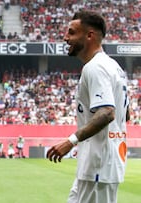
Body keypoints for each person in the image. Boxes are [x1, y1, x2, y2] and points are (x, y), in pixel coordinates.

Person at [46, 11, 129, 203]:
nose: (66, 38)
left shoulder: (95, 67)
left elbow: (108, 112)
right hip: (97, 164)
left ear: (89, 35)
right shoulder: (114, 66)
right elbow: (126, 113)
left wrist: (71, 141)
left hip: (99, 166)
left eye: (72, 33)